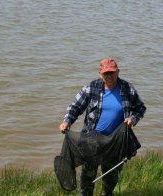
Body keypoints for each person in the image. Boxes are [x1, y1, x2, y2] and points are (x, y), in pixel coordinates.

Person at [59, 57, 146, 196]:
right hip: (91, 141)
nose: (109, 76)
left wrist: (133, 119)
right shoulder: (91, 88)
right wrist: (67, 121)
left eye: (112, 73)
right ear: (100, 74)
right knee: (87, 178)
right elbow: (75, 107)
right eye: (106, 73)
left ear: (118, 72)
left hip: (115, 142)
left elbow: (140, 108)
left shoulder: (127, 88)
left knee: (110, 178)